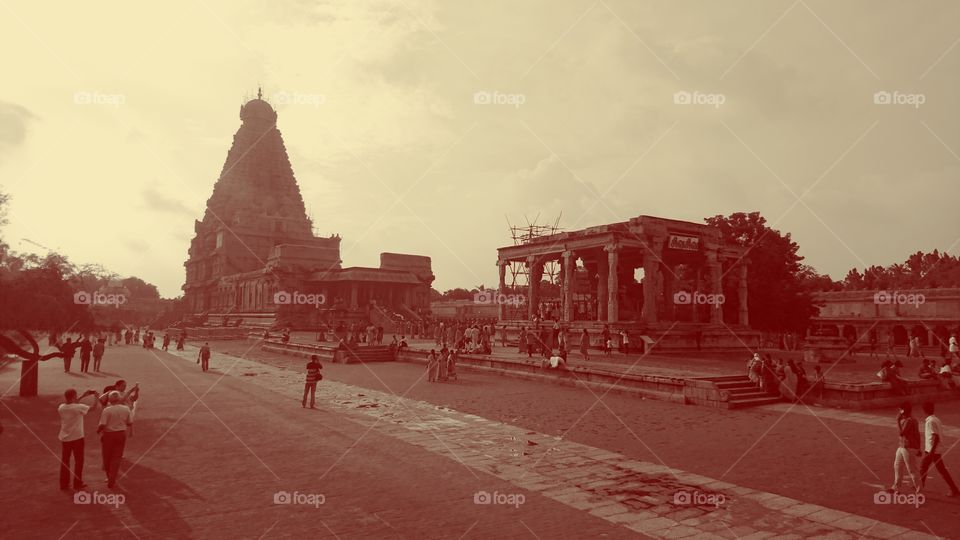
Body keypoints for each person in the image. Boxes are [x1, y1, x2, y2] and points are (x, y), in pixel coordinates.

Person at [58, 388, 99, 491]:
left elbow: (72, 404)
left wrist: (83, 396)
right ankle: (77, 483)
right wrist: (97, 398)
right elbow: (93, 408)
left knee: (65, 461)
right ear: (73, 397)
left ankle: (64, 484)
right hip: (77, 438)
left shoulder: (61, 407)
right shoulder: (78, 407)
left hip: (65, 438)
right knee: (79, 461)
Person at [918, 402, 960, 496]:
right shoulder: (936, 419)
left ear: (924, 411)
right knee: (938, 469)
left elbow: (935, 436)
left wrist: (932, 451)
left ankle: (919, 486)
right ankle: (954, 489)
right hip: (933, 450)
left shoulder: (930, 422)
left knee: (923, 468)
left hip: (932, 450)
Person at [98, 391, 133, 488]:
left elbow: (102, 424)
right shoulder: (126, 409)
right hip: (121, 434)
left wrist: (98, 431)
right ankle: (112, 478)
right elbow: (129, 423)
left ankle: (109, 477)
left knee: (107, 457)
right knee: (116, 457)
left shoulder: (107, 410)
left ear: (109, 400)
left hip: (109, 435)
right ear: (119, 399)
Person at [890, 402, 922, 494]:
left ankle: (919, 489)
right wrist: (919, 448)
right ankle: (896, 487)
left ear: (903, 410)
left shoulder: (909, 421)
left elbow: (901, 433)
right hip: (902, 447)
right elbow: (918, 435)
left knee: (912, 469)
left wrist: (897, 421)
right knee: (897, 465)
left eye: (900, 409)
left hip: (908, 447)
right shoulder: (911, 420)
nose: (899, 411)